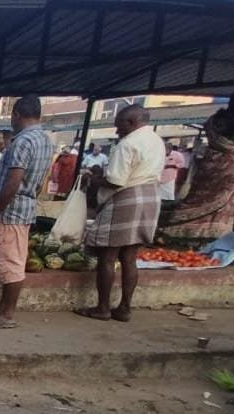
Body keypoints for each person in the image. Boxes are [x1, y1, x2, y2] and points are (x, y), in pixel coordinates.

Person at [78, 105, 165, 323]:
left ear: (131, 122)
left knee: (107, 256)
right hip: (150, 197)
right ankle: (125, 308)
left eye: (119, 127)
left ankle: (103, 308)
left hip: (126, 199)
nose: (117, 132)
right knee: (129, 258)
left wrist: (92, 178)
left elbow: (115, 180)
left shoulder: (127, 144)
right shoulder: (156, 140)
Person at [0, 95, 54, 329]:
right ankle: (2, 307)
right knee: (15, 259)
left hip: (11, 211)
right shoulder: (44, 139)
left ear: (17, 114)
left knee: (10, 263)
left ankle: (6, 313)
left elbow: (12, 183)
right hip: (25, 207)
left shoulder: (22, 142)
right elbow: (39, 181)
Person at [158, 90, 234, 242]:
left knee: (198, 195)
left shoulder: (214, 119)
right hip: (230, 164)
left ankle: (177, 226)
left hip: (210, 161)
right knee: (220, 197)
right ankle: (199, 230)